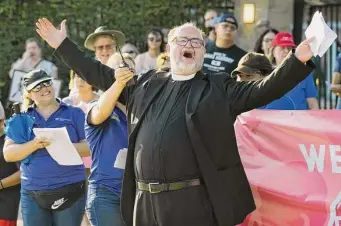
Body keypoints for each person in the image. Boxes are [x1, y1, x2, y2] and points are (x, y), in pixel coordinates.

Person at [36, 18, 315, 226]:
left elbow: (263, 89)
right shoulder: (146, 85)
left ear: (203, 52)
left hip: (194, 204)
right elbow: (98, 73)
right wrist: (62, 45)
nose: (190, 45)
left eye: (196, 42)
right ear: (170, 49)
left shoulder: (219, 88)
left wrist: (297, 61)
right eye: (183, 40)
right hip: (145, 203)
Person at [3, 69, 90, 226]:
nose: (44, 88)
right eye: (37, 87)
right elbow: (9, 154)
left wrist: (60, 143)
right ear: (29, 94)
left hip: (70, 189)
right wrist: (34, 144)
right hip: (32, 192)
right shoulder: (20, 118)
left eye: (47, 82)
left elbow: (90, 147)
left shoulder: (75, 113)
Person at [84, 58, 130, 226]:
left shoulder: (141, 111)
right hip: (106, 194)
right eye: (119, 69)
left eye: (129, 69)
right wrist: (118, 83)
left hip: (135, 193)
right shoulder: (95, 106)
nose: (126, 72)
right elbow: (100, 113)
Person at [269, 32, 319, 110]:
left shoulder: (304, 73)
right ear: (273, 51)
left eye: (289, 48)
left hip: (299, 121)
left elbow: (312, 102)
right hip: (271, 120)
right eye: (282, 48)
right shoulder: (264, 74)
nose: (286, 51)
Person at [0, 102, 21, 226]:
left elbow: (24, 172)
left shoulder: (13, 139)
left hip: (6, 205)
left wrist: (1, 184)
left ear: (2, 121)